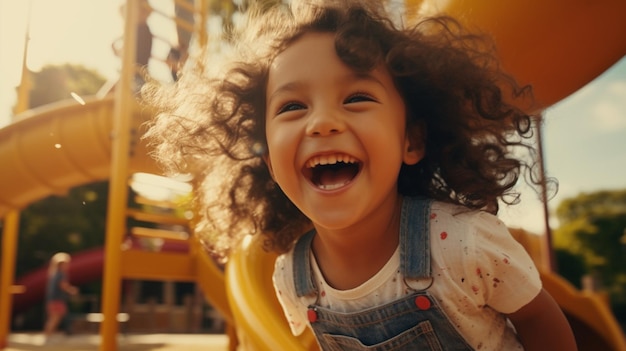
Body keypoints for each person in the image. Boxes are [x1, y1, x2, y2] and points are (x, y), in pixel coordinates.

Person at [145, 1, 577, 349]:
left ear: (411, 141)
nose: (321, 122)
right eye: (293, 106)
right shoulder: (293, 277)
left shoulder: (463, 246)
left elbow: (538, 317)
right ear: (271, 164)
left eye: (355, 97)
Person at [43, 252, 78, 342]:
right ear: (60, 265)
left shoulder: (53, 274)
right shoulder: (61, 274)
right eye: (65, 264)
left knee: (56, 317)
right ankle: (48, 334)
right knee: (55, 317)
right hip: (57, 299)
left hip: (52, 299)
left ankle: (49, 334)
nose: (67, 266)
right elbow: (63, 285)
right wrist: (72, 290)